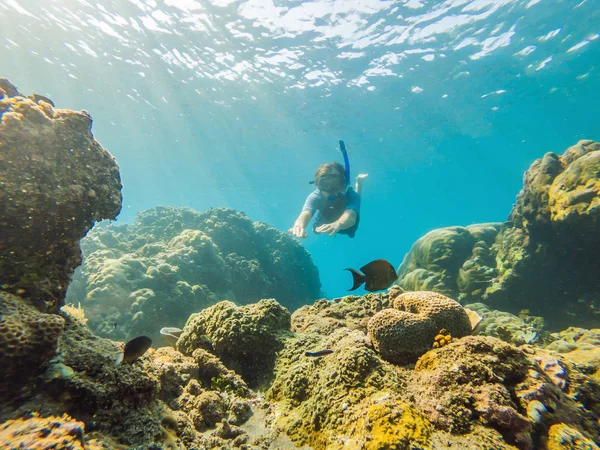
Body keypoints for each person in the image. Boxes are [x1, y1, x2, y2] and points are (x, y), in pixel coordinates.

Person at [289, 161, 368, 238]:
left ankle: (359, 184)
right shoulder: (315, 196)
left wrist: (339, 224)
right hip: (325, 220)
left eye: (335, 184)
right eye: (325, 184)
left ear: (343, 183)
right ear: (317, 185)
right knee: (316, 229)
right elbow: (306, 212)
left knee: (356, 206)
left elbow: (350, 217)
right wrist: (298, 226)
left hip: (347, 225)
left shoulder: (351, 195)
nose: (330, 190)